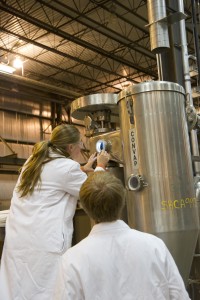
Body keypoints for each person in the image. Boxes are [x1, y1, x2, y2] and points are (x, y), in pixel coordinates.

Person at [0, 124, 110, 300]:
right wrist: (100, 166)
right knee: (47, 291)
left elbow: (51, 177)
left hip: (19, 240)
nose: (82, 148)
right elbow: (95, 192)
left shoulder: (34, 161)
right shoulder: (66, 168)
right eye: (80, 144)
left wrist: (82, 169)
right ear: (71, 147)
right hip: (43, 244)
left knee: (18, 289)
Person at [55, 171, 191, 300]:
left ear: (84, 207)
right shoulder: (154, 246)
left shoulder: (72, 260)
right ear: (122, 201)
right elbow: (179, 296)